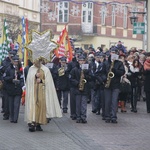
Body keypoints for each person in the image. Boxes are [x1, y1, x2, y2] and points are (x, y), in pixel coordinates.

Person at [24, 58, 62, 132]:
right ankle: (32, 123)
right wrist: (35, 76)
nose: (35, 62)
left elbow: (48, 82)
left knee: (41, 106)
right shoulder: (31, 69)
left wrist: (41, 80)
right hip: (33, 92)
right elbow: (28, 80)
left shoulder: (45, 69)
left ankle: (39, 123)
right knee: (33, 106)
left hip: (42, 92)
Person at [104, 47, 125, 123]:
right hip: (107, 84)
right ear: (110, 53)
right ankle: (107, 116)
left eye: (115, 52)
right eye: (112, 52)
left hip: (116, 85)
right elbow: (101, 73)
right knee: (107, 101)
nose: (113, 54)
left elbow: (122, 72)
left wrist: (115, 71)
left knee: (114, 101)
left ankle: (113, 116)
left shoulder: (119, 63)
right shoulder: (106, 63)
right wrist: (104, 80)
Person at [70, 55, 90, 123]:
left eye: (83, 60)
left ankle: (83, 117)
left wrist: (86, 75)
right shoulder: (74, 69)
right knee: (78, 104)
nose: (81, 62)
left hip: (85, 88)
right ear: (78, 61)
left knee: (84, 104)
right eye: (80, 61)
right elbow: (71, 78)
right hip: (77, 89)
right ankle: (78, 117)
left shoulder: (87, 69)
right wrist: (77, 83)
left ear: (85, 61)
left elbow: (92, 77)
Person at [4, 55, 23, 123]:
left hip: (17, 89)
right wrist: (11, 79)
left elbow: (22, 78)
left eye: (17, 62)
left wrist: (20, 82)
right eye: (14, 61)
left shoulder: (20, 69)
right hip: (11, 89)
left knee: (16, 104)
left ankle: (15, 118)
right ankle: (11, 117)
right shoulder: (9, 69)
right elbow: (5, 78)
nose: (15, 63)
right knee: (11, 105)